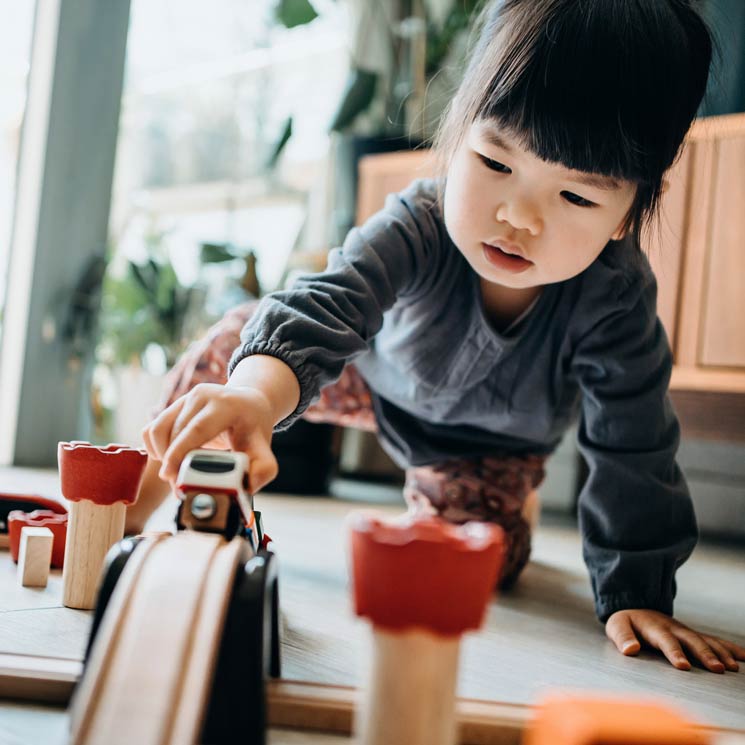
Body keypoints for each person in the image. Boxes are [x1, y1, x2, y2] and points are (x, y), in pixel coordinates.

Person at [139, 0, 745, 672]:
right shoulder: (416, 224)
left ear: (627, 212)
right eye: (494, 161)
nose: (517, 217)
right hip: (367, 380)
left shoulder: (615, 297)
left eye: (574, 197)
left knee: (476, 560)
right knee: (236, 349)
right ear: (455, 138)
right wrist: (254, 395)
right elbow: (326, 304)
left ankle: (485, 503)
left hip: (483, 445)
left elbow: (633, 441)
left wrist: (638, 590)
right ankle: (138, 489)